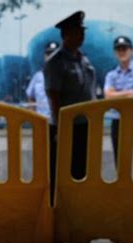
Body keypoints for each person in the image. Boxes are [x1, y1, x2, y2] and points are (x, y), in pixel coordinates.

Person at [44, 11, 96, 184]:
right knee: (61, 172)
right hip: (65, 126)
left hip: (83, 124)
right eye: (77, 32)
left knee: (81, 171)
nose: (82, 35)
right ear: (66, 34)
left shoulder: (83, 59)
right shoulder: (56, 61)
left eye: (82, 31)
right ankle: (57, 208)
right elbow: (53, 95)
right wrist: (61, 126)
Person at [103, 36, 133, 168]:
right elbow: (108, 96)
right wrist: (128, 93)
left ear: (131, 51)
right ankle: (121, 189)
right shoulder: (111, 75)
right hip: (118, 120)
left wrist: (117, 94)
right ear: (115, 52)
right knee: (120, 162)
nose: (121, 52)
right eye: (118, 49)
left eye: (124, 48)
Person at [25, 41, 59, 120]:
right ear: (44, 56)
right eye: (48, 54)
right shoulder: (38, 77)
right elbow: (30, 96)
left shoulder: (65, 76)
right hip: (42, 121)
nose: (51, 57)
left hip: (60, 122)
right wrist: (33, 116)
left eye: (54, 54)